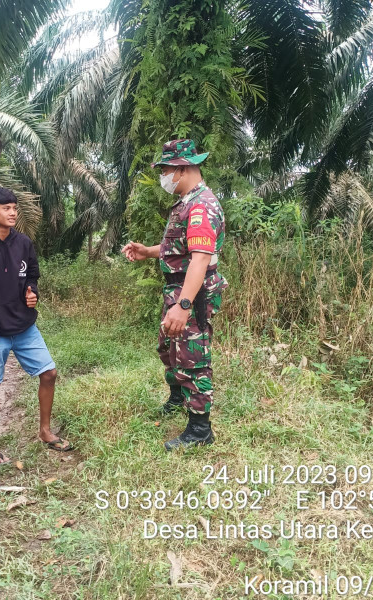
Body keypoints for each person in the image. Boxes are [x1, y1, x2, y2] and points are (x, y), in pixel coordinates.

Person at [122, 139, 227, 451]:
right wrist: (147, 252)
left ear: (181, 169)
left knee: (193, 358)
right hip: (179, 291)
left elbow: (200, 259)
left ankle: (199, 430)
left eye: (165, 170)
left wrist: (183, 306)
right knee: (168, 346)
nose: (163, 177)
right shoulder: (186, 203)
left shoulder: (201, 207)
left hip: (192, 296)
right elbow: (179, 250)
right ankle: (178, 398)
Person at [0, 187, 72, 464]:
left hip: (24, 327)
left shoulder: (23, 243)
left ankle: (45, 431)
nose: (12, 212)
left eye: (14, 208)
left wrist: (31, 291)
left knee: (49, 373)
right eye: (6, 208)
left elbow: (32, 273)